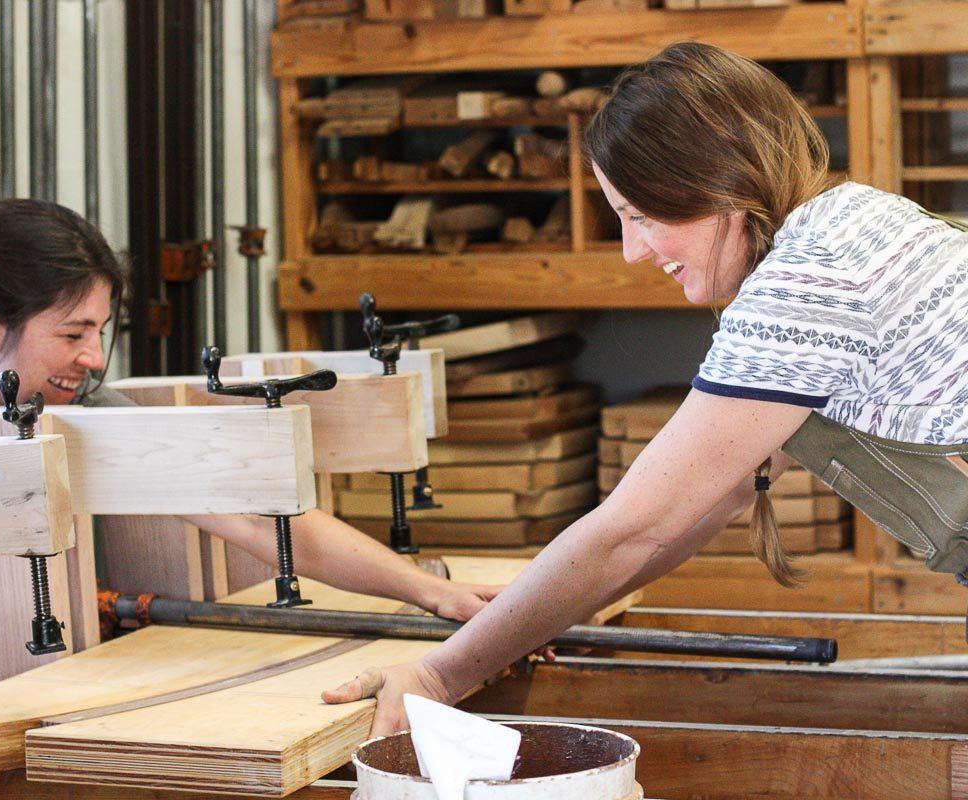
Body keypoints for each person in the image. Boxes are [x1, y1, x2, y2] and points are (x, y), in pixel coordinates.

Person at [322, 41, 968, 735]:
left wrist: (437, 673)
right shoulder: (853, 220)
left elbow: (633, 530)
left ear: (717, 180)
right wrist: (529, 616)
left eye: (639, 216)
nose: (634, 252)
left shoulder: (805, 288)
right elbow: (705, 502)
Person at [0, 198, 499, 799]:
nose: (93, 358)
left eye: (101, 331)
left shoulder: (79, 402)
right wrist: (40, 611)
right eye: (72, 333)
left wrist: (432, 595)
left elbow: (260, 518)